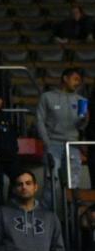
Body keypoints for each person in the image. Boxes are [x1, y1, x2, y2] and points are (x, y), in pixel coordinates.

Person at [35, 67, 89, 211]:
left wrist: (84, 121)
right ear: (65, 78)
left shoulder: (81, 100)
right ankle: (43, 216)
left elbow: (80, 126)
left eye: (80, 81)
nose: (78, 83)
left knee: (73, 183)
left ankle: (72, 219)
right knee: (52, 182)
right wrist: (47, 142)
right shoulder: (47, 97)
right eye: (75, 79)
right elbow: (39, 121)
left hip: (73, 146)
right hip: (53, 144)